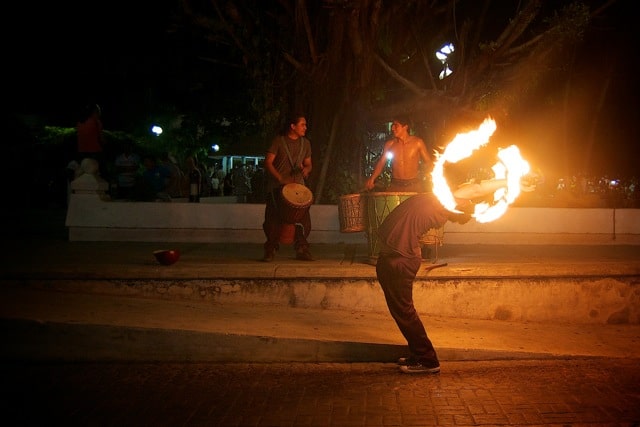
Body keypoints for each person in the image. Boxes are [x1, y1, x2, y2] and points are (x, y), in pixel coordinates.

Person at [376, 177, 536, 374]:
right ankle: (418, 354)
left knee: (404, 312)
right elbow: (475, 186)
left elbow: (478, 187)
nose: (465, 185)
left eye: (467, 196)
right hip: (393, 258)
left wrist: (512, 180)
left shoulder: (446, 202)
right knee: (400, 312)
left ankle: (428, 360)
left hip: (399, 261)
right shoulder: (439, 199)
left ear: (460, 206)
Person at [262, 114, 313, 262]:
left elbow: (309, 163)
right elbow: (268, 162)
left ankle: (302, 249)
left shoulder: (306, 144)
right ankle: (270, 249)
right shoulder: (279, 141)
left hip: (298, 188)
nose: (305, 127)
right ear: (293, 126)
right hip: (278, 188)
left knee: (303, 220)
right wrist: (279, 178)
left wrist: (307, 170)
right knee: (273, 219)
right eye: (302, 124)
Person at [365, 116, 433, 193]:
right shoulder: (390, 144)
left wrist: (432, 176)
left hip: (414, 185)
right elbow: (381, 162)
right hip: (395, 185)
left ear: (405, 127)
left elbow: (428, 162)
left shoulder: (417, 143)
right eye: (392, 126)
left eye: (396, 125)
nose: (392, 128)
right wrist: (372, 179)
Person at [76, 103, 107, 179]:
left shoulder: (79, 123)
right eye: (98, 111)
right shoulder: (96, 122)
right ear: (95, 112)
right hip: (95, 153)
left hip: (82, 154)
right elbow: (102, 140)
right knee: (103, 175)